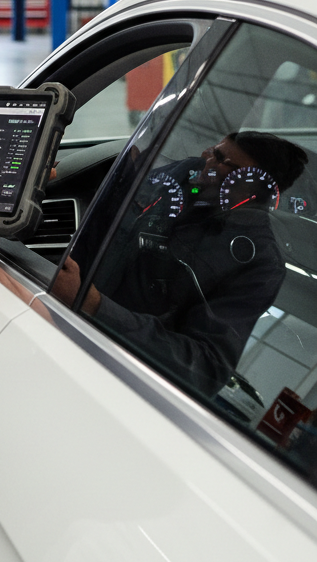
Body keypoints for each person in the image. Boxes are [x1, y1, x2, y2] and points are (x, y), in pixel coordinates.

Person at [53, 131, 308, 396]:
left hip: (114, 372)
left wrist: (95, 306)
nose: (205, 159)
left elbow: (206, 368)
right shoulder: (186, 175)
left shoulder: (259, 263)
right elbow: (114, 216)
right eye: (214, 150)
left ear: (254, 189)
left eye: (222, 161)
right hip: (62, 313)